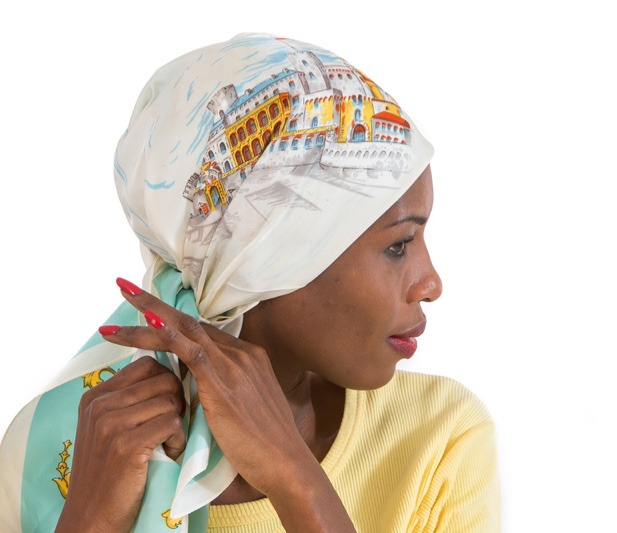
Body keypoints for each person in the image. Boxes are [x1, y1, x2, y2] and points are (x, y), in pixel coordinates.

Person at [0, 33, 500, 532]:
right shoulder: (60, 448)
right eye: (399, 245)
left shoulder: (439, 439)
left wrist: (293, 475)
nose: (430, 283)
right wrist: (88, 519)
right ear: (270, 259)